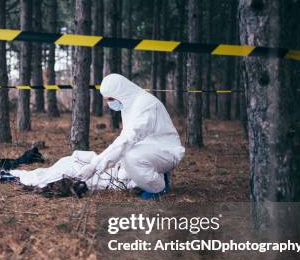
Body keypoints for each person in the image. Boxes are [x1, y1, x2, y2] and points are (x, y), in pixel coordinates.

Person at [11, 74, 185, 199]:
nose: (109, 103)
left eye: (110, 99)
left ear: (120, 94)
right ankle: (152, 177)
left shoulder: (145, 105)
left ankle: (159, 187)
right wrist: (101, 162)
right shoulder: (130, 105)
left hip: (165, 151)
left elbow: (128, 139)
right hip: (149, 150)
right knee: (124, 164)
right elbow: (125, 139)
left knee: (130, 157)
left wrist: (95, 165)